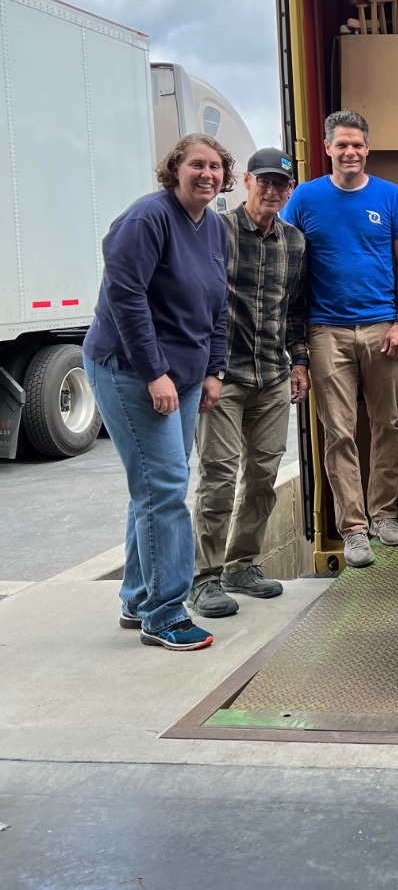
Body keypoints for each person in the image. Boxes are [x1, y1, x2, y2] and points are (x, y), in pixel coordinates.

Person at [83, 134, 231, 651]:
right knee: (164, 487)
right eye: (197, 165)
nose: (207, 174)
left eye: (215, 166)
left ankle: (137, 594)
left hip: (187, 376)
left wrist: (215, 369)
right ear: (174, 169)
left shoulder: (214, 227)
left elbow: (217, 306)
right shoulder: (147, 219)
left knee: (152, 485)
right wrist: (153, 373)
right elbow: (125, 299)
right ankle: (164, 612)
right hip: (129, 369)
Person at [280, 109, 398, 569]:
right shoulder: (304, 197)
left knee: (388, 424)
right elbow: (283, 254)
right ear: (327, 148)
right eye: (342, 144)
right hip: (326, 330)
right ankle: (354, 528)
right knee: (338, 432)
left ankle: (384, 514)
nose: (350, 152)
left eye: (357, 144)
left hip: (382, 326)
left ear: (367, 147)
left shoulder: (390, 195)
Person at [190, 147, 310, 618]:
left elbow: (295, 311)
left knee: (263, 477)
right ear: (245, 181)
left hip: (273, 376)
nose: (272, 190)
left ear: (289, 191)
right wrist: (202, 368)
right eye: (264, 181)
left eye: (281, 184)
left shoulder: (295, 243)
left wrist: (299, 362)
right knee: (218, 476)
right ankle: (205, 577)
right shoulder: (217, 231)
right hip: (223, 376)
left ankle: (242, 564)